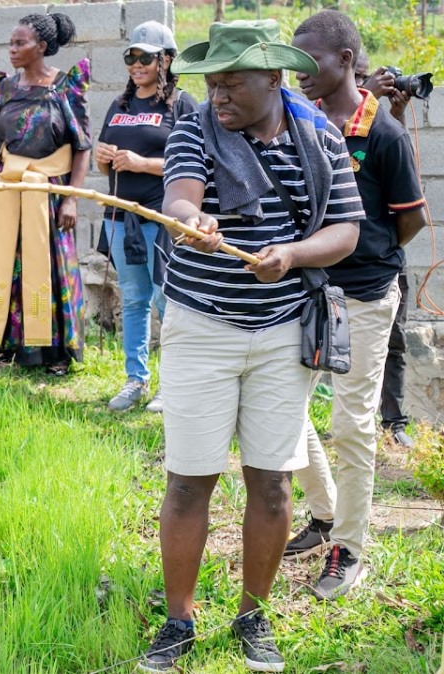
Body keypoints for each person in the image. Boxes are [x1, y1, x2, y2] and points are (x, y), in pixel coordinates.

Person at [141, 20, 362, 673]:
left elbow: (346, 229)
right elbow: (179, 199)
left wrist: (292, 255)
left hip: (281, 331)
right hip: (202, 326)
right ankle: (178, 621)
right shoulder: (194, 129)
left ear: (272, 78)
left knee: (270, 486)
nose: (219, 95)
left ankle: (252, 616)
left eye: (232, 82)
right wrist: (194, 221)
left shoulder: (318, 137)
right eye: (211, 83)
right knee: (189, 482)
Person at [283, 11, 428, 601]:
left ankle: (351, 548)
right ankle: (324, 515)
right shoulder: (299, 125)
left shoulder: (385, 134)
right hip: (308, 290)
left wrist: (368, 256)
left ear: (345, 60)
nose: (298, 75)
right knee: (280, 408)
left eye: (309, 61)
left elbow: (411, 220)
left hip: (366, 296)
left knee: (351, 422)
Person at [0, 13, 89, 374]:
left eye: (20, 43)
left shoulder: (65, 86)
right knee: (9, 264)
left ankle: (55, 353)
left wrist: (71, 198)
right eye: (11, 43)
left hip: (49, 194)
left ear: (42, 46)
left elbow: (81, 147)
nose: (12, 49)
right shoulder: (5, 88)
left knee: (50, 267)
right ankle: (9, 343)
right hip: (6, 193)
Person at [94, 21, 196, 412]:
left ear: (166, 60)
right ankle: (135, 379)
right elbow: (110, 169)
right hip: (120, 217)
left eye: (145, 57)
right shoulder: (119, 106)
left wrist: (142, 163)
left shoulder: (181, 105)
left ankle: (173, 385)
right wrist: (106, 162)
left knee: (165, 299)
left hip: (161, 218)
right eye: (130, 57)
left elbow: (191, 163)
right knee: (134, 299)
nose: (136, 64)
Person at [355, 53, 416, 448]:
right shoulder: (319, 118)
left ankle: (393, 422)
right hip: (336, 261)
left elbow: (408, 195)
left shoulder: (382, 126)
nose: (359, 84)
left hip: (383, 258)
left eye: (364, 77)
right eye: (358, 78)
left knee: (394, 340)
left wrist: (393, 111)